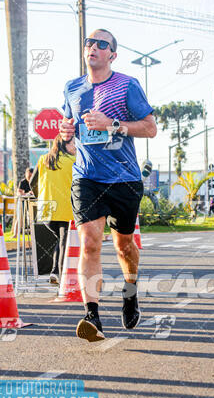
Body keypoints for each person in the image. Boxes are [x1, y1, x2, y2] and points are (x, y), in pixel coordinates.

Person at [60, 28, 157, 342]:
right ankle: (93, 316)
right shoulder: (72, 88)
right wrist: (65, 134)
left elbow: (150, 129)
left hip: (124, 178)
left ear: (112, 55)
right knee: (89, 241)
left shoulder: (127, 85)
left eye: (102, 44)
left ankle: (130, 293)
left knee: (124, 246)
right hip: (86, 177)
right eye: (90, 42)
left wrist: (112, 125)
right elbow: (70, 135)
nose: (94, 47)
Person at [35, 133, 76, 284]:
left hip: (46, 210)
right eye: (73, 144)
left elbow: (33, 183)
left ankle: (55, 272)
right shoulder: (74, 161)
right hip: (65, 209)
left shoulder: (43, 159)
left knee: (61, 240)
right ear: (64, 144)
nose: (76, 147)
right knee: (64, 242)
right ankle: (59, 275)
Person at [12, 167, 34, 238]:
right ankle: (15, 234)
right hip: (23, 201)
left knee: (32, 218)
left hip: (32, 201)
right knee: (19, 218)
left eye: (31, 176)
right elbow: (19, 192)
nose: (29, 178)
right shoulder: (23, 182)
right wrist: (26, 193)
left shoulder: (35, 181)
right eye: (28, 176)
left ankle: (32, 233)